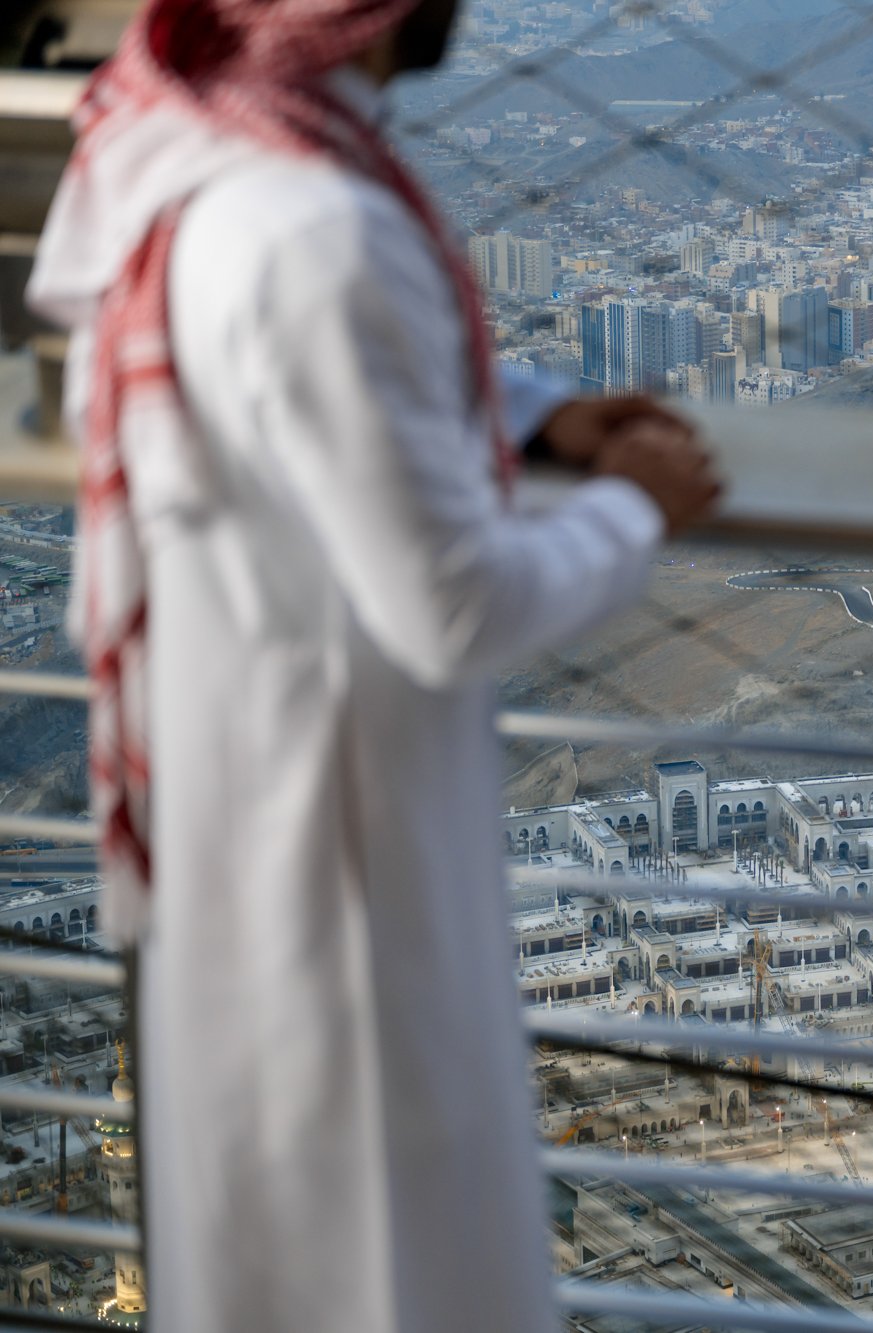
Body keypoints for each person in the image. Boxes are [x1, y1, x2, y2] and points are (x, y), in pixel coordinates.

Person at [26, 0, 721, 1328]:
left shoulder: (194, 169)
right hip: (345, 853)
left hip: (233, 795)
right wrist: (636, 506)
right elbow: (453, 604)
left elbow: (296, 393)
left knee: (264, 1242)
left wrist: (532, 412)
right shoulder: (314, 229)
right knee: (386, 1250)